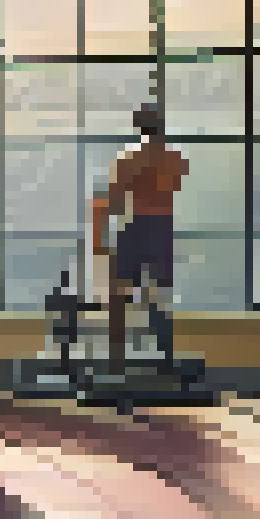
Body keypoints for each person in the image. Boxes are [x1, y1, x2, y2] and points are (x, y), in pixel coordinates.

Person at [91, 104, 185, 371]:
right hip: (161, 228)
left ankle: (116, 361)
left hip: (137, 226)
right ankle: (165, 359)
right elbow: (174, 186)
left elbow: (113, 199)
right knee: (158, 296)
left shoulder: (129, 158)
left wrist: (98, 236)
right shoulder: (175, 159)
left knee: (118, 295)